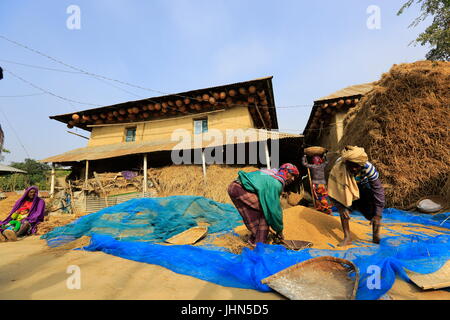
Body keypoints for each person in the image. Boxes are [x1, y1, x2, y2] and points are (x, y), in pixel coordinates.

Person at [227, 163, 299, 247]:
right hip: (240, 189)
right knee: (266, 212)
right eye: (292, 175)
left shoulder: (272, 174)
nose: (293, 179)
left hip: (234, 187)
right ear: (286, 172)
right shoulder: (275, 183)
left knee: (256, 214)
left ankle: (255, 238)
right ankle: (259, 244)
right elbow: (274, 210)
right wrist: (279, 230)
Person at [328, 146, 385, 246]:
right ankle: (347, 237)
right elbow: (333, 188)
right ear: (346, 163)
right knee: (344, 208)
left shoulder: (368, 168)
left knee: (373, 210)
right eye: (351, 166)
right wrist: (341, 207)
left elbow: (378, 190)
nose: (354, 169)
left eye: (356, 166)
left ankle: (375, 235)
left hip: (363, 185)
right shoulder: (339, 167)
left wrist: (378, 214)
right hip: (345, 185)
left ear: (361, 165)